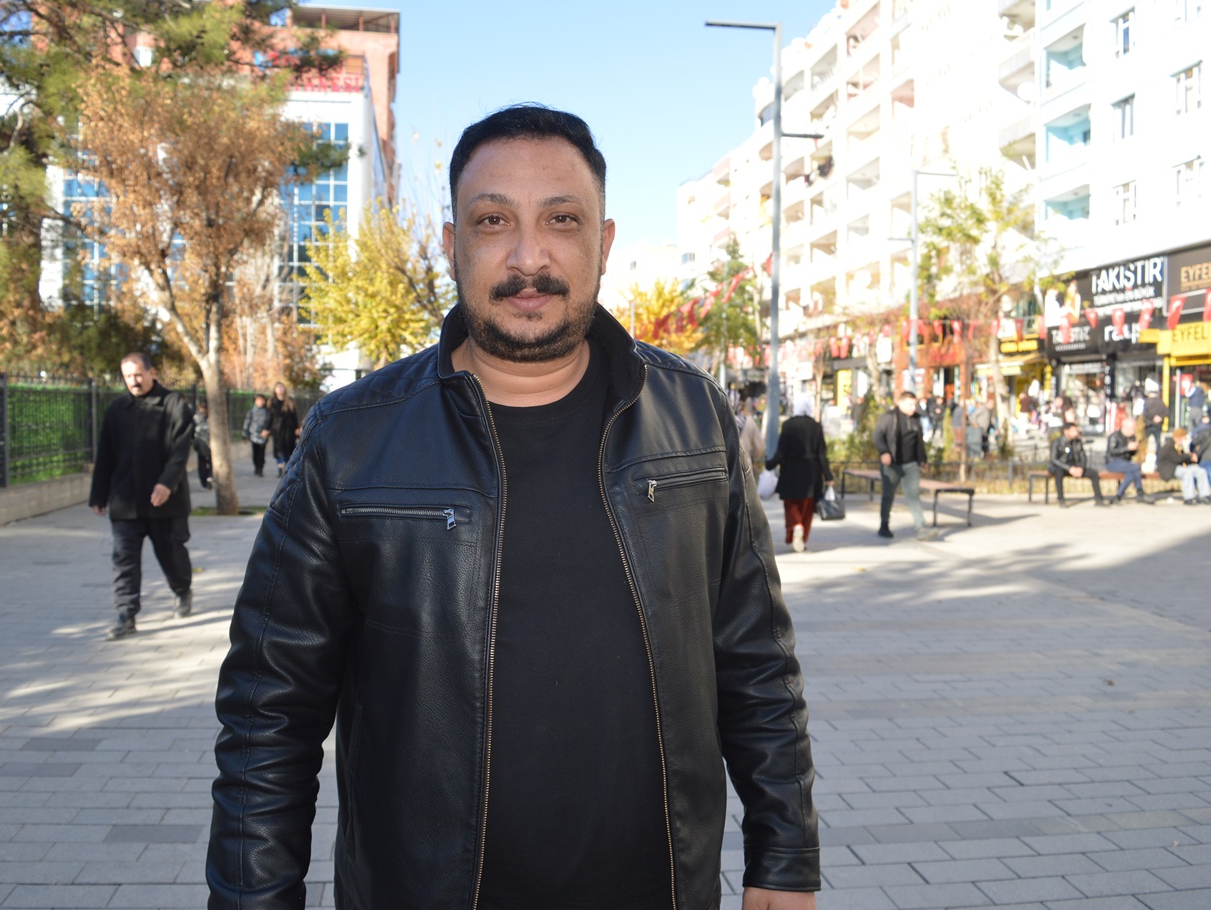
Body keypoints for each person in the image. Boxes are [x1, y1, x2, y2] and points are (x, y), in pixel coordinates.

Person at [208, 105, 820, 910]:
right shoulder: (349, 441)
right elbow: (268, 713)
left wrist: (785, 854)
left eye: (561, 220)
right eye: (493, 221)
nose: (529, 258)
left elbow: (757, 663)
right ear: (451, 242)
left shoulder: (696, 419)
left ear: (603, 242)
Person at [88, 352, 194, 641]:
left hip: (166, 502)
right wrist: (98, 494)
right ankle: (126, 615)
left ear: (151, 373)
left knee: (172, 555)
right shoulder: (116, 410)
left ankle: (182, 590)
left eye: (138, 375)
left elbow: (180, 450)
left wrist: (167, 483)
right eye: (128, 376)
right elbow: (105, 455)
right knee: (124, 561)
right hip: (125, 501)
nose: (133, 381)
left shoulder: (173, 405)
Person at [765, 394, 834, 553]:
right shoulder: (816, 426)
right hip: (811, 473)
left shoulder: (788, 425)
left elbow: (781, 452)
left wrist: (770, 464)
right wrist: (828, 476)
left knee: (791, 505)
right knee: (807, 508)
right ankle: (802, 537)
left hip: (791, 472)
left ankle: (796, 526)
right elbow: (821, 454)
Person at [873, 389, 937, 540]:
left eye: (914, 404)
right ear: (900, 403)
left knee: (913, 495)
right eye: (910, 404)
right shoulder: (889, 417)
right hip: (892, 465)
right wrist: (884, 452)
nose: (913, 408)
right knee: (888, 495)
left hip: (911, 465)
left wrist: (922, 460)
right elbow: (877, 436)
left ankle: (921, 527)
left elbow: (919, 442)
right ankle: (884, 525)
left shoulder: (916, 419)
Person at [1048, 422, 1107, 506]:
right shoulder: (1057, 442)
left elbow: (1083, 457)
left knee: (1093, 473)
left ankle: (1099, 499)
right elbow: (1054, 459)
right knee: (1058, 472)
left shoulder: (1077, 442)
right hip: (1062, 467)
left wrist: (1081, 468)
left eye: (1076, 431)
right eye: (1073, 431)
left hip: (1075, 467)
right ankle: (1061, 499)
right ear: (1066, 431)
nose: (1076, 433)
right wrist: (1069, 468)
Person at [1105, 416, 1154, 504]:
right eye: (1132, 429)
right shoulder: (1114, 436)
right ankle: (1140, 492)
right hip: (1112, 462)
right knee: (1135, 467)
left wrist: (1134, 449)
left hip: (1125, 463)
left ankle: (1118, 496)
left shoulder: (1131, 437)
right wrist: (1127, 448)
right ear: (1125, 427)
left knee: (1131, 474)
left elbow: (1131, 455)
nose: (1133, 432)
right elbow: (1112, 452)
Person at [1157, 427, 1208, 505]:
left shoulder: (1178, 446)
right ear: (1179, 437)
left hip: (1178, 467)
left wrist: (1191, 459)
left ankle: (1205, 495)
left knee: (1201, 471)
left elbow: (1183, 459)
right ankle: (1189, 497)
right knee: (1187, 473)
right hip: (1169, 469)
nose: (1184, 440)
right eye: (1184, 437)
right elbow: (1177, 459)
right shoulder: (1169, 446)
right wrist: (1189, 456)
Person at [266, 381, 300, 476]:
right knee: (279, 449)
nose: (280, 389)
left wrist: (297, 427)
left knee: (288, 448)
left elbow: (294, 415)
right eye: (278, 387)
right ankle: (280, 469)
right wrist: (266, 428)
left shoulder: (290, 401)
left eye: (281, 387)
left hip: (289, 429)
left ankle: (287, 467)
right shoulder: (272, 402)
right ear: (275, 390)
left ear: (284, 389)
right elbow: (269, 417)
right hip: (277, 430)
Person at [241, 394, 270, 477]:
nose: (260, 402)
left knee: (261, 453)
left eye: (262, 400)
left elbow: (270, 422)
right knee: (255, 453)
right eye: (258, 400)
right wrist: (245, 435)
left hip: (263, 436)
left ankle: (260, 468)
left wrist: (268, 431)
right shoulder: (251, 411)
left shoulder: (267, 412)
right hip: (253, 436)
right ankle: (256, 467)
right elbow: (247, 423)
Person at [1141, 379, 1167, 454]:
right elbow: (1166, 412)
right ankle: (1158, 455)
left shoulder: (1147, 402)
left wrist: (1152, 418)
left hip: (1149, 424)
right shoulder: (1161, 402)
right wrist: (1160, 417)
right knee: (1158, 441)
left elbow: (1145, 413)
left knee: (1145, 440)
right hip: (1157, 425)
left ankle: (1142, 453)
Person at [193, 401, 213, 490]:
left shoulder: (212, 418)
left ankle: (209, 478)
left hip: (210, 443)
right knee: (203, 463)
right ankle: (206, 480)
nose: (203, 410)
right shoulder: (196, 418)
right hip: (202, 443)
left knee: (210, 462)